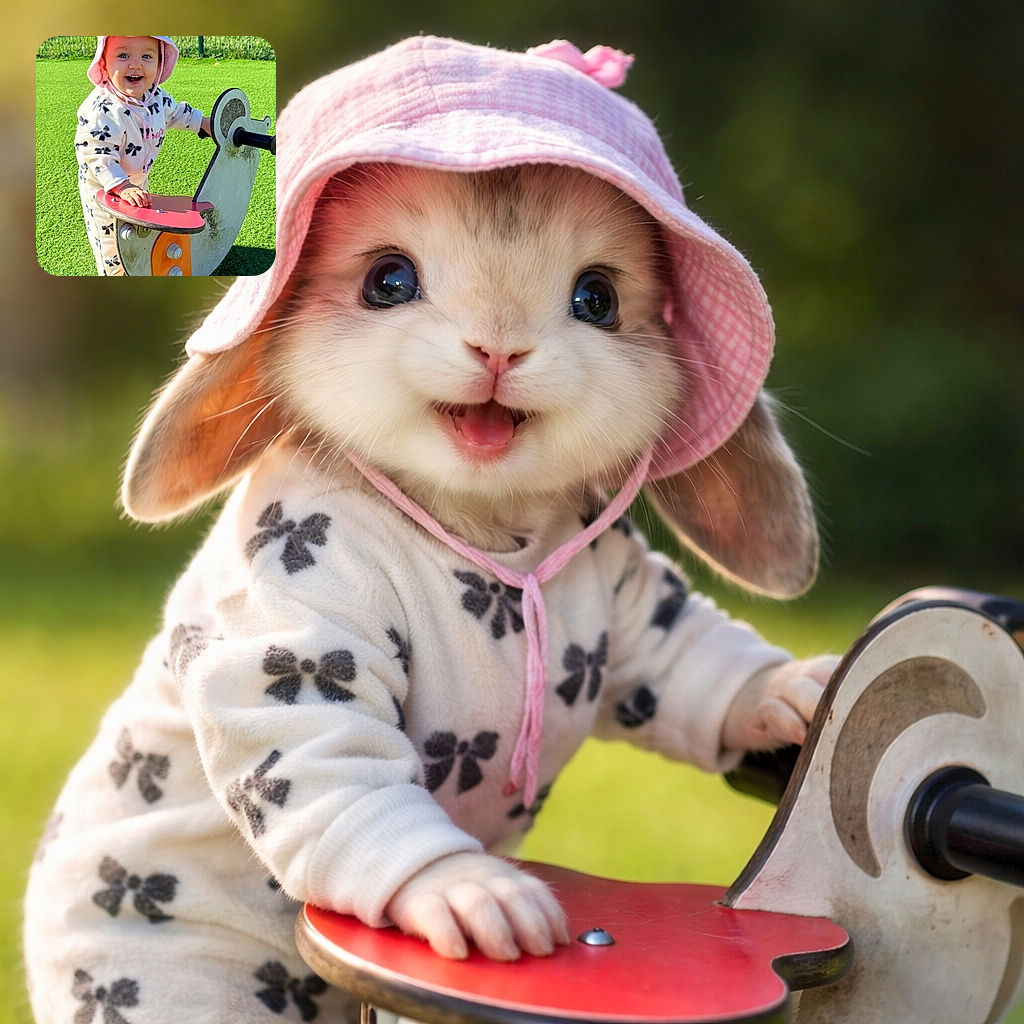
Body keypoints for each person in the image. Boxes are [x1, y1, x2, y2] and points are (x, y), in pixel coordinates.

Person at [74, 36, 211, 275]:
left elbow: (177, 113)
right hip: (104, 189)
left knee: (137, 227)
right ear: (104, 64)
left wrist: (203, 123)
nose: (135, 64)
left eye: (147, 56)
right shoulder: (102, 110)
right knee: (112, 241)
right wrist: (122, 186)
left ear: (159, 65)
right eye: (123, 55)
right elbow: (97, 154)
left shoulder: (155, 97)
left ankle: (139, 264)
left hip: (136, 179)